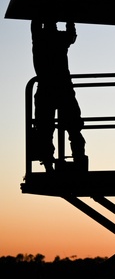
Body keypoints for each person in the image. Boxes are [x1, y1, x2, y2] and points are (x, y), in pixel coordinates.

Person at [31, 20, 86, 171]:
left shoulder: (39, 37)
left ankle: (48, 164)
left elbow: (34, 25)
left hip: (46, 89)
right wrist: (69, 19)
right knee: (73, 128)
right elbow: (72, 35)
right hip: (63, 88)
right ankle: (79, 159)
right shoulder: (59, 38)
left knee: (45, 129)